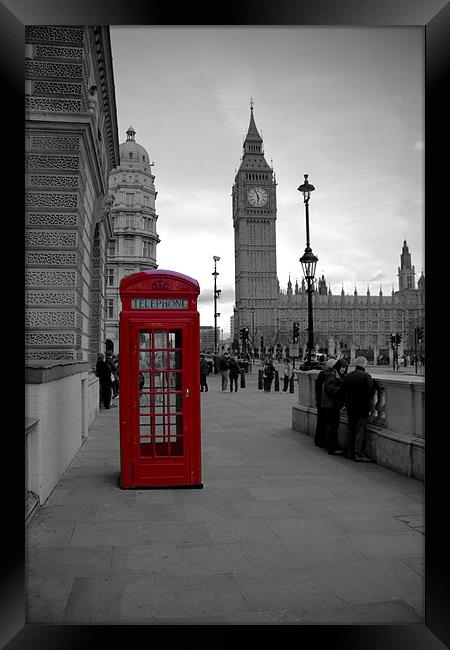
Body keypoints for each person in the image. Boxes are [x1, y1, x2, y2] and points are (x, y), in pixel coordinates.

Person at [342, 356, 376, 462]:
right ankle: (358, 454)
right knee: (360, 432)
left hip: (350, 407)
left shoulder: (348, 376)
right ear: (364, 364)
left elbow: (343, 391)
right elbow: (370, 392)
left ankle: (349, 452)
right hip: (362, 408)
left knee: (351, 430)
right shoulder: (366, 376)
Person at [320, 358, 348, 454]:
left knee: (332, 426)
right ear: (338, 366)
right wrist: (342, 389)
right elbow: (331, 389)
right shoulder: (332, 375)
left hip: (328, 404)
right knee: (333, 426)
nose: (343, 370)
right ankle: (332, 448)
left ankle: (332, 446)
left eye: (345, 368)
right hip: (331, 405)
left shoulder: (332, 374)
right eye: (342, 367)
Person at [314, 358, 337, 448]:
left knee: (320, 421)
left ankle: (319, 440)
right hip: (326, 402)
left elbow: (317, 388)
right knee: (327, 423)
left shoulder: (321, 374)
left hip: (320, 401)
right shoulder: (329, 375)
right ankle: (325, 441)